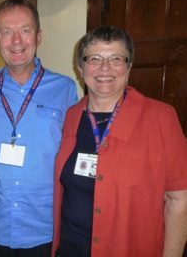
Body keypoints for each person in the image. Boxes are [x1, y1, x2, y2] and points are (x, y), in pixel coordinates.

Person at [52, 26, 187, 257]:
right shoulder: (72, 115)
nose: (105, 67)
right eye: (94, 58)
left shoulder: (160, 117)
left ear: (129, 66)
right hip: (70, 247)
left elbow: (179, 200)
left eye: (116, 58)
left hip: (128, 249)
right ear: (80, 67)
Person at [0, 0, 78, 257]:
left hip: (44, 227)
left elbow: (73, 151)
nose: (17, 41)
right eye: (6, 32)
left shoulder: (65, 88)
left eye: (25, 30)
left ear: (39, 36)